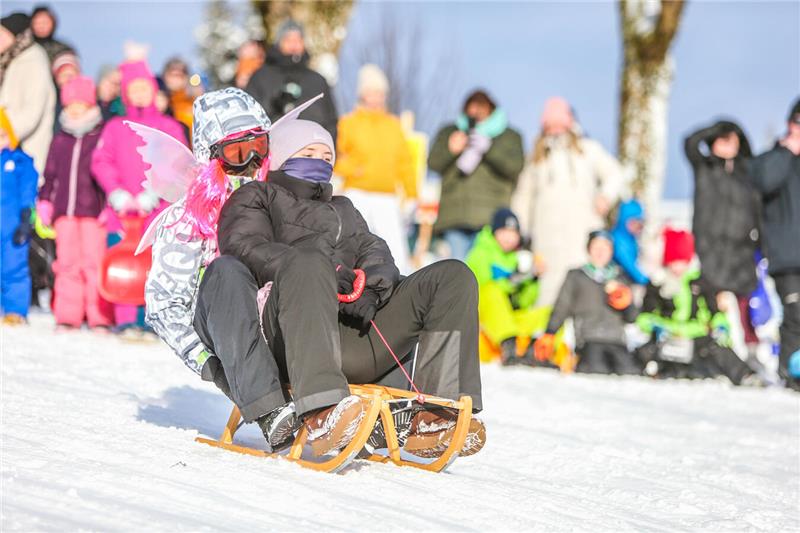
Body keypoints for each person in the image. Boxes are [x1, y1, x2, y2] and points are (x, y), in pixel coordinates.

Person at [215, 114, 485, 459]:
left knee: (452, 276)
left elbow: (375, 250)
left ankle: (437, 413)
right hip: (293, 334)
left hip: (353, 335)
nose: (320, 163)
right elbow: (244, 245)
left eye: (327, 157)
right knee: (308, 260)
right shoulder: (258, 197)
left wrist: (372, 286)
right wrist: (329, 271)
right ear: (283, 156)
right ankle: (323, 410)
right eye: (309, 153)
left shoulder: (343, 208)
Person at [92, 59, 187, 333]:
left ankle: (151, 320)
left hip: (158, 211)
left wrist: (155, 191)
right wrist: (116, 191)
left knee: (154, 264)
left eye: (144, 87)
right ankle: (125, 319)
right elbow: (101, 161)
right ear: (125, 92)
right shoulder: (114, 127)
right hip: (122, 212)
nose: (140, 93)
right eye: (133, 88)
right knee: (123, 260)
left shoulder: (169, 127)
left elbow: (178, 162)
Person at [513, 97, 622, 307]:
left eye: (559, 124)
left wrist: (605, 196)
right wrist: (521, 228)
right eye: (550, 125)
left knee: (582, 280)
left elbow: (614, 173)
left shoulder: (588, 149)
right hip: (546, 233)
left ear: (570, 123)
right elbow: (523, 196)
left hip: (581, 229)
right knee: (549, 285)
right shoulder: (537, 158)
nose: (555, 130)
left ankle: (582, 328)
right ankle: (548, 332)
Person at [36, 76, 111, 331]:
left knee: (94, 262)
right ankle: (68, 313)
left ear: (90, 105)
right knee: (67, 262)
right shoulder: (61, 139)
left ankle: (98, 313)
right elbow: (51, 174)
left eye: (81, 103)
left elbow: (107, 174)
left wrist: (108, 205)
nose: (75, 109)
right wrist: (45, 200)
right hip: (64, 212)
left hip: (92, 212)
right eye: (71, 104)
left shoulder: (99, 135)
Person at [636, 229, 757, 385]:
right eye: (674, 261)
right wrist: (658, 327)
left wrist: (720, 327)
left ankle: (744, 375)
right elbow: (645, 316)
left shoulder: (699, 283)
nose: (678, 267)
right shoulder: (658, 284)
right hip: (668, 336)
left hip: (696, 335)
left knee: (717, 349)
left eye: (682, 261)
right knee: (648, 351)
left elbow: (715, 312)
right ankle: (657, 370)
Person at [685, 120, 761, 351]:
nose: (728, 145)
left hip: (742, 248)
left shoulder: (746, 174)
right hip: (712, 247)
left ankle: (750, 350)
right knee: (713, 300)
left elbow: (757, 208)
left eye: (732, 141)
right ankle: (717, 349)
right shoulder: (705, 167)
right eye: (723, 140)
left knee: (744, 302)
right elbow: (690, 142)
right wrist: (717, 129)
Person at [335, 64, 416, 273]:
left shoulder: (393, 125)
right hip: (357, 191)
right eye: (371, 92)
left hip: (386, 196)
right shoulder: (349, 123)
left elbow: (405, 162)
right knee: (352, 241)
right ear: (362, 94)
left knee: (396, 247)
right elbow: (336, 156)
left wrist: (411, 194)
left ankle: (401, 285)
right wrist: (351, 168)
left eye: (380, 92)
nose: (376, 97)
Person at [428, 90, 524, 260]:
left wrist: (490, 149)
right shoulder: (450, 132)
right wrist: (450, 150)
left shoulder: (508, 136)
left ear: (491, 110)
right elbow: (433, 163)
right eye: (472, 110)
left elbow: (515, 167)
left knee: (483, 274)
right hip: (454, 217)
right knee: (455, 273)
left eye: (481, 110)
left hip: (491, 219)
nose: (476, 114)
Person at [535, 230, 639, 375]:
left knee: (630, 372)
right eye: (597, 247)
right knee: (596, 370)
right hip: (588, 339)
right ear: (589, 249)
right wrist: (550, 332)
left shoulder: (621, 277)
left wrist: (626, 303)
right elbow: (562, 307)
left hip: (617, 341)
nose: (600, 252)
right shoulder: (576, 276)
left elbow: (632, 317)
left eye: (605, 247)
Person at [749, 99, 800, 390]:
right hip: (787, 256)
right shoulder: (774, 159)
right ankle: (793, 373)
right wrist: (786, 152)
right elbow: (763, 182)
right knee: (796, 316)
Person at [465, 208, 548, 366]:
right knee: (491, 291)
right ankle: (510, 345)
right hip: (482, 325)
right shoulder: (480, 253)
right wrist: (513, 279)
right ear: (495, 232)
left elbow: (524, 303)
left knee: (549, 313)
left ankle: (538, 349)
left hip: (508, 321)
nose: (509, 238)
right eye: (504, 232)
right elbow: (483, 292)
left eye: (513, 233)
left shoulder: (518, 258)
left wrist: (533, 278)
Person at [245, 20, 337, 138]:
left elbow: (331, 122)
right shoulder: (261, 77)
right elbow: (250, 118)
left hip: (312, 149)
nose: (294, 45)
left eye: (298, 40)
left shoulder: (318, 81)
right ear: (279, 43)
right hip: (273, 148)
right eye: (288, 40)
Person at [0, 13, 56, 175]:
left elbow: (34, 108)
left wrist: (7, 134)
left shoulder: (33, 60)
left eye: (2, 34)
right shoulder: (9, 60)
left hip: (23, 144)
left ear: (15, 35)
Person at [0, 107, 38, 325]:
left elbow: (28, 190)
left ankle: (15, 310)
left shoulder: (20, 162)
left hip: (12, 226)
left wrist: (26, 218)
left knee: (13, 267)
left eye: (2, 135)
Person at [611, 199, 649, 286]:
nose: (637, 225)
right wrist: (646, 281)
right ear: (624, 220)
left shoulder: (631, 238)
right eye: (633, 222)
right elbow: (628, 264)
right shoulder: (618, 239)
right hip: (617, 284)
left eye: (639, 222)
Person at [161, 57, 197, 132]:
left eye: (180, 75)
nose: (176, 79)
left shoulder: (192, 104)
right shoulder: (158, 101)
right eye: (172, 74)